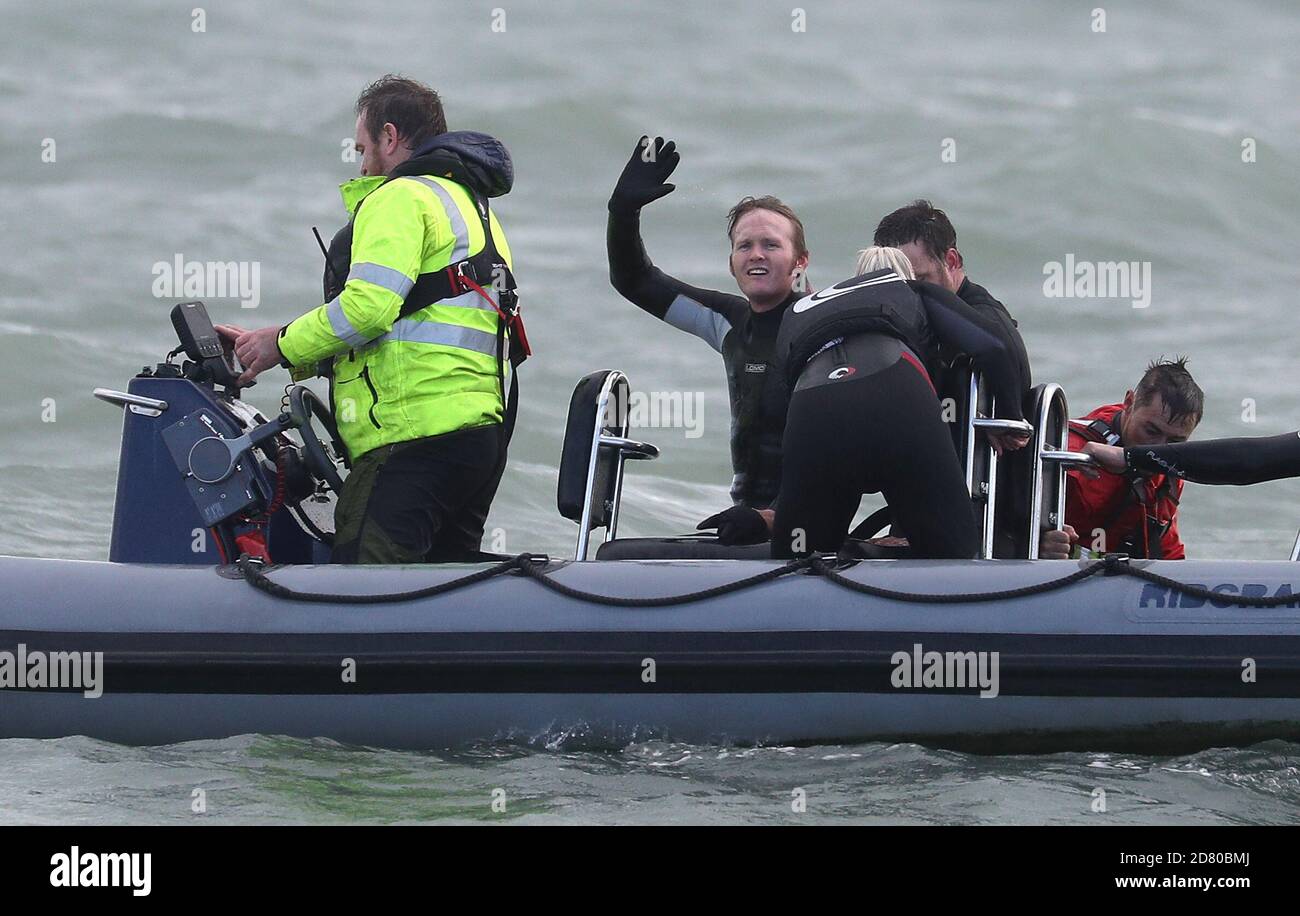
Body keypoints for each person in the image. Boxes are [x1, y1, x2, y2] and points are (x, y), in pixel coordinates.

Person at [216, 75, 525, 564]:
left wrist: (280, 343)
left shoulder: (398, 197)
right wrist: (274, 349)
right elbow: (413, 327)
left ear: (389, 135)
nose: (361, 164)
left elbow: (368, 309)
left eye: (363, 147)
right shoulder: (469, 205)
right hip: (477, 441)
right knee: (439, 590)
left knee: (361, 589)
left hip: (414, 442)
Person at [768, 247, 1030, 559]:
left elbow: (772, 410)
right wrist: (1009, 417)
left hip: (813, 413)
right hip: (898, 400)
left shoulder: (797, 310)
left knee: (799, 560)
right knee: (954, 557)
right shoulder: (912, 290)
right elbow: (995, 345)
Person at [607, 137, 810, 533]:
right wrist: (623, 212)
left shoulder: (825, 327)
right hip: (743, 519)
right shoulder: (728, 322)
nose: (756, 254)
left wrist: (776, 519)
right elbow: (635, 280)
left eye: (772, 244)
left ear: (800, 261)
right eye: (744, 246)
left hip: (806, 523)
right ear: (732, 264)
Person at [1040, 358, 1203, 559]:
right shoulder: (1070, 457)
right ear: (1129, 403)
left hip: (1121, 579)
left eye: (1175, 440)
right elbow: (1003, 527)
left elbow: (1168, 551)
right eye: (1151, 431)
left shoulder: (1171, 463)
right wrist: (1037, 546)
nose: (1160, 449)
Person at [873, 199, 1031, 392]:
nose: (908, 296)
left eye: (919, 280)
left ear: (951, 261)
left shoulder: (988, 321)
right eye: (898, 285)